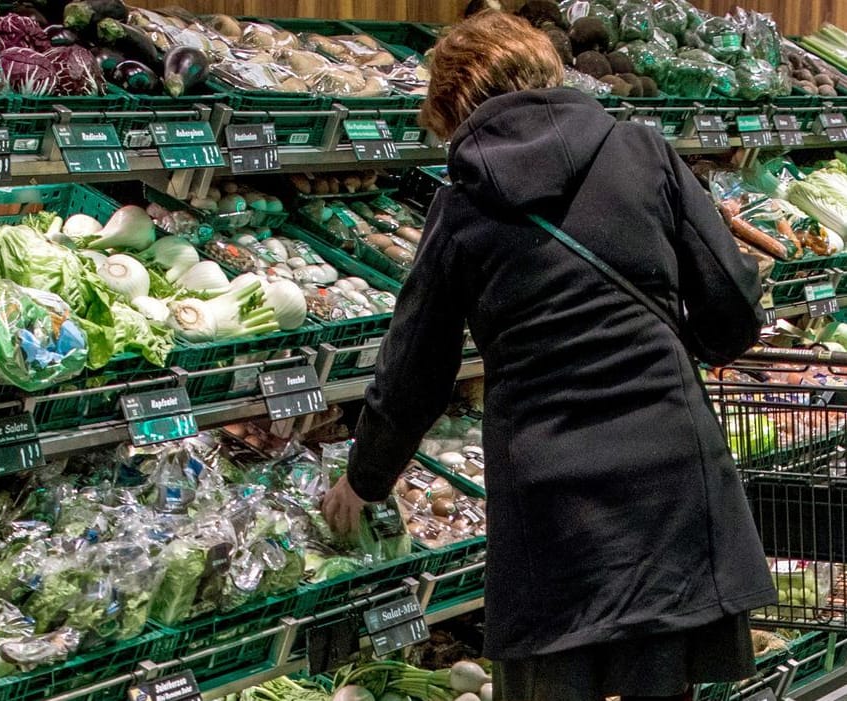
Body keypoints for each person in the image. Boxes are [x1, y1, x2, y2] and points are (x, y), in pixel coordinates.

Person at [321, 10, 777, 701]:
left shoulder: (462, 207)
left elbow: (415, 366)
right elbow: (732, 309)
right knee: (665, 682)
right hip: (669, 472)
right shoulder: (643, 152)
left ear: (451, 106)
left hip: (549, 495)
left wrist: (364, 479)